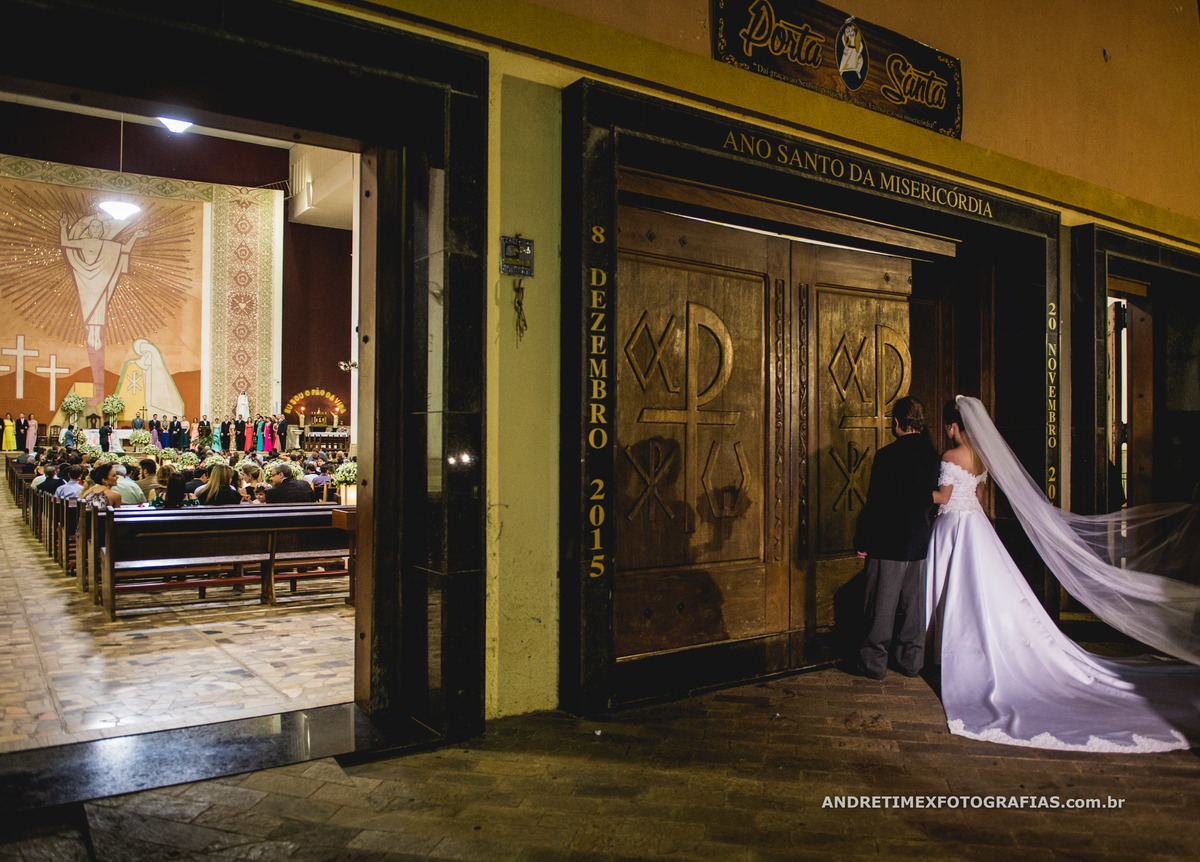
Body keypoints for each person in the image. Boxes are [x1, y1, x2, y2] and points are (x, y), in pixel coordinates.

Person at [925, 397, 1200, 752]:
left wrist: (916, 491)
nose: (948, 432)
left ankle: (944, 651)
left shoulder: (951, 456)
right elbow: (977, 495)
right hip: (976, 527)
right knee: (985, 593)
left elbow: (945, 496)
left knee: (956, 589)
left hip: (953, 528)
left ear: (953, 426)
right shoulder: (982, 455)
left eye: (948, 427)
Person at [852, 395, 940, 680]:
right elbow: (931, 499)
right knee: (914, 609)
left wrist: (863, 540)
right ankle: (911, 662)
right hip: (919, 540)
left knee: (880, 607)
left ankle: (874, 664)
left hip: (887, 541)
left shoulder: (886, 456)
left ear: (898, 422)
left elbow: (875, 504)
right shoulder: (933, 456)